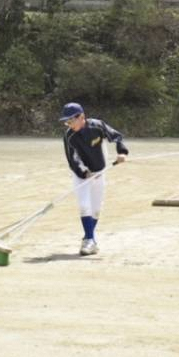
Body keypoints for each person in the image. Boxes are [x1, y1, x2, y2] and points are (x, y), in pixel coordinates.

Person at [60, 102, 128, 256]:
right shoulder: (69, 136)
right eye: (67, 122)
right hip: (82, 176)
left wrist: (122, 152)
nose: (69, 125)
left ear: (81, 117)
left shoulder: (97, 126)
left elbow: (116, 137)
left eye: (71, 121)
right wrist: (85, 173)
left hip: (100, 173)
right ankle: (90, 240)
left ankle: (89, 238)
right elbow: (73, 160)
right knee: (85, 206)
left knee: (96, 211)